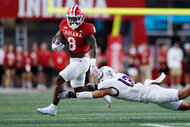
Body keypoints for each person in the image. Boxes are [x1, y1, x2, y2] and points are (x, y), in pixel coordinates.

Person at [37, 5, 110, 116]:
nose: (72, 21)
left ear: (81, 18)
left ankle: (53, 108)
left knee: (60, 78)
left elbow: (93, 45)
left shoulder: (86, 28)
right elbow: (58, 35)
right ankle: (101, 90)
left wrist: (93, 62)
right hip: (73, 60)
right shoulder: (64, 24)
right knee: (79, 90)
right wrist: (54, 44)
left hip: (82, 61)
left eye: (75, 18)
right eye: (71, 18)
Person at [59, 66, 190, 111]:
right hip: (150, 95)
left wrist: (71, 95)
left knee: (183, 94)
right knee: (184, 106)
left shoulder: (108, 85)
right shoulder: (119, 76)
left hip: (151, 94)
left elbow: (95, 94)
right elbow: (96, 87)